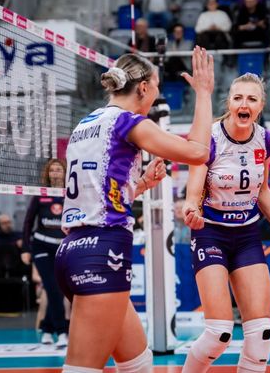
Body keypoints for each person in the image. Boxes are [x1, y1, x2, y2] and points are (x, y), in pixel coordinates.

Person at [55, 47, 214, 373]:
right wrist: (204, 93)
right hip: (102, 250)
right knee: (82, 369)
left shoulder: (86, 122)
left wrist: (140, 184)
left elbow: (100, 189)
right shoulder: (129, 122)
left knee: (138, 363)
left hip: (72, 251)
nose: (156, 94)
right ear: (143, 87)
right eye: (156, 86)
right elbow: (199, 153)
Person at [181, 72, 270, 373]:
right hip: (211, 233)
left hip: (247, 235)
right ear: (229, 102)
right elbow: (193, 191)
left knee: (261, 336)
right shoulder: (209, 137)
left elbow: (262, 190)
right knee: (219, 333)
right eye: (238, 97)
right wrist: (190, 209)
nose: (244, 103)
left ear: (260, 106)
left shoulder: (264, 139)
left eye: (251, 99)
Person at [21, 159, 69, 346]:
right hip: (41, 247)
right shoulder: (40, 195)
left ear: (65, 173)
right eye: (52, 170)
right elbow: (28, 222)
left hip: (62, 248)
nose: (55, 173)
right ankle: (62, 331)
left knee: (57, 288)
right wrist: (26, 249)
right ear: (48, 174)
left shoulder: (70, 194)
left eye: (59, 170)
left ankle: (47, 328)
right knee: (51, 286)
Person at [0, 213, 24, 278]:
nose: (8, 225)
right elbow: (0, 247)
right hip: (3, 270)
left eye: (9, 222)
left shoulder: (18, 234)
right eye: (4, 223)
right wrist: (16, 244)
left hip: (20, 266)